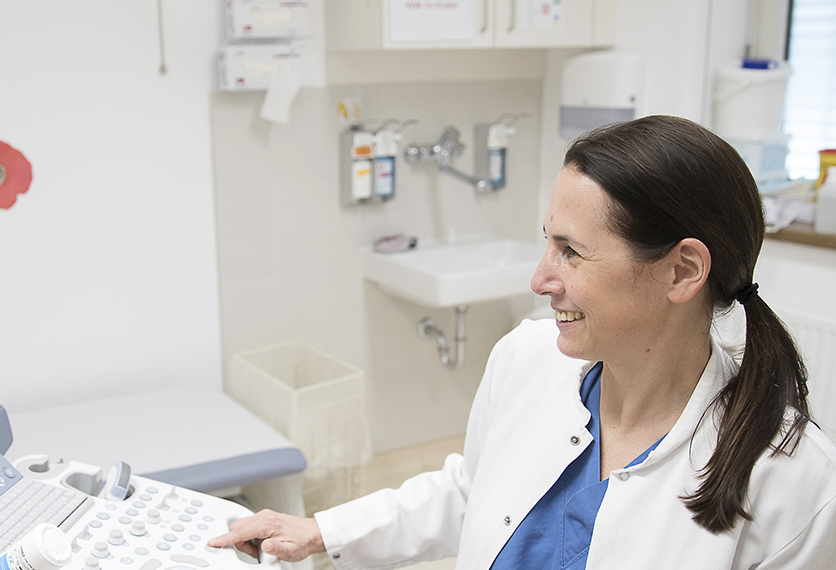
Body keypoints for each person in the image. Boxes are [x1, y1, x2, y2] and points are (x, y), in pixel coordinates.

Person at [208, 116, 836, 568]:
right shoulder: (528, 358)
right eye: (547, 243)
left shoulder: (792, 480)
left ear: (682, 271)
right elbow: (472, 490)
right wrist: (320, 530)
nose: (540, 279)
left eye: (571, 251)